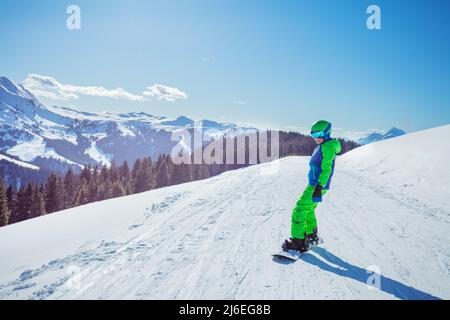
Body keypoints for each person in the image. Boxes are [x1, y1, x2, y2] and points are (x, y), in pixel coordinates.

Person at [283, 120, 341, 253]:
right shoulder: (323, 146)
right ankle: (311, 236)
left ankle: (298, 242)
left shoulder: (328, 147)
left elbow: (327, 169)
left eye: (319, 134)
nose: (316, 138)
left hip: (316, 185)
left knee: (299, 210)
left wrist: (319, 187)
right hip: (316, 185)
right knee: (308, 210)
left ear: (327, 133)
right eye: (313, 135)